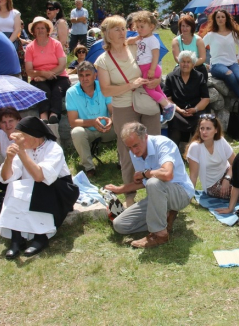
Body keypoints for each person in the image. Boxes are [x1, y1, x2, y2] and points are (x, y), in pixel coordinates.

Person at [95, 15, 161, 208]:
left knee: (154, 144)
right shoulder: (103, 60)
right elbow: (106, 90)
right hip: (123, 105)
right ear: (107, 34)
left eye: (124, 28)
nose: (123, 32)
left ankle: (157, 189)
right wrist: (130, 85)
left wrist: (156, 80)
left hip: (146, 100)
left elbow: (152, 63)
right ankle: (130, 196)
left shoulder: (135, 46)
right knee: (127, 151)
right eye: (117, 29)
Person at [0, 116, 79, 259]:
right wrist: (9, 160)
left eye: (22, 137)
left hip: (59, 190)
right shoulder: (24, 149)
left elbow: (40, 176)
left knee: (40, 186)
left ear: (35, 136)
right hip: (33, 190)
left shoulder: (53, 148)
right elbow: (5, 177)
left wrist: (21, 152)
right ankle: (17, 238)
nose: (19, 141)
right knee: (14, 186)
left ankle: (41, 237)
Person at [105, 122, 194, 248]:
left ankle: (160, 234)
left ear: (145, 137)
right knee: (120, 225)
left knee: (153, 182)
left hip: (181, 194)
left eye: (135, 146)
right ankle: (166, 215)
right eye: (129, 147)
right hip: (157, 194)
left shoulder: (163, 143)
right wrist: (119, 189)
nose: (133, 151)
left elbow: (167, 174)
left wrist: (146, 173)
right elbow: (143, 181)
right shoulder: (134, 152)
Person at [66, 61, 116, 177]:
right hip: (87, 130)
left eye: (87, 75)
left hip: (106, 128)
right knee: (76, 132)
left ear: (95, 75)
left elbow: (113, 111)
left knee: (122, 124)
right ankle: (89, 167)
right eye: (81, 76)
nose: (84, 79)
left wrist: (111, 120)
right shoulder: (71, 93)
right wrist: (93, 123)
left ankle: (122, 162)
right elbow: (72, 122)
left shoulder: (103, 87)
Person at [203, 10, 239, 111]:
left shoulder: (233, 33)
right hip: (217, 64)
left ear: (227, 19)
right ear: (215, 19)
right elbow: (200, 46)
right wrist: (203, 62)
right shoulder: (211, 35)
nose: (220, 19)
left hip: (232, 62)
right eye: (218, 17)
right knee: (229, 74)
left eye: (222, 17)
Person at [127, 11, 176, 122]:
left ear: (151, 27)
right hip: (147, 68)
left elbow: (155, 55)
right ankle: (166, 105)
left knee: (148, 89)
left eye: (142, 27)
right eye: (137, 27)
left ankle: (167, 106)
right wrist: (135, 39)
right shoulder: (141, 38)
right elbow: (128, 41)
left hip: (150, 68)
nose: (139, 29)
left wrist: (152, 69)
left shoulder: (153, 40)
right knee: (158, 89)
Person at [25, 16, 70, 124]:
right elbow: (29, 70)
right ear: (33, 31)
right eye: (37, 28)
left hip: (59, 75)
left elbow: (62, 64)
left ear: (47, 30)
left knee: (56, 90)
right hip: (38, 77)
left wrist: (46, 75)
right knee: (43, 90)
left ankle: (54, 114)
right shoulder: (30, 47)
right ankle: (43, 115)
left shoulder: (56, 44)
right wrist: (42, 74)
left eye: (42, 28)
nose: (40, 31)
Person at [163, 50, 210, 147]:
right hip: (178, 110)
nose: (185, 64)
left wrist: (195, 109)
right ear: (179, 63)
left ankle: (197, 151)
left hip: (195, 110)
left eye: (188, 62)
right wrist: (179, 110)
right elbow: (167, 98)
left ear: (193, 64)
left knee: (200, 120)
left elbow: (205, 99)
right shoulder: (171, 77)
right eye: (183, 61)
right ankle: (174, 151)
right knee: (174, 119)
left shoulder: (199, 76)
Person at [186, 115, 235, 199]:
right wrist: (189, 196)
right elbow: (193, 176)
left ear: (216, 130)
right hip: (212, 185)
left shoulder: (221, 141)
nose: (204, 132)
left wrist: (227, 178)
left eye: (208, 128)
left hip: (227, 174)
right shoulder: (195, 147)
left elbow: (235, 163)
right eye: (202, 128)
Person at [171, 14, 208, 81]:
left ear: (192, 27)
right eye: (183, 26)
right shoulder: (175, 41)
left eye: (187, 26)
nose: (185, 28)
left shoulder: (199, 40)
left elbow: (202, 58)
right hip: (181, 65)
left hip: (197, 65)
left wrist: (191, 65)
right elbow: (177, 58)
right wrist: (186, 65)